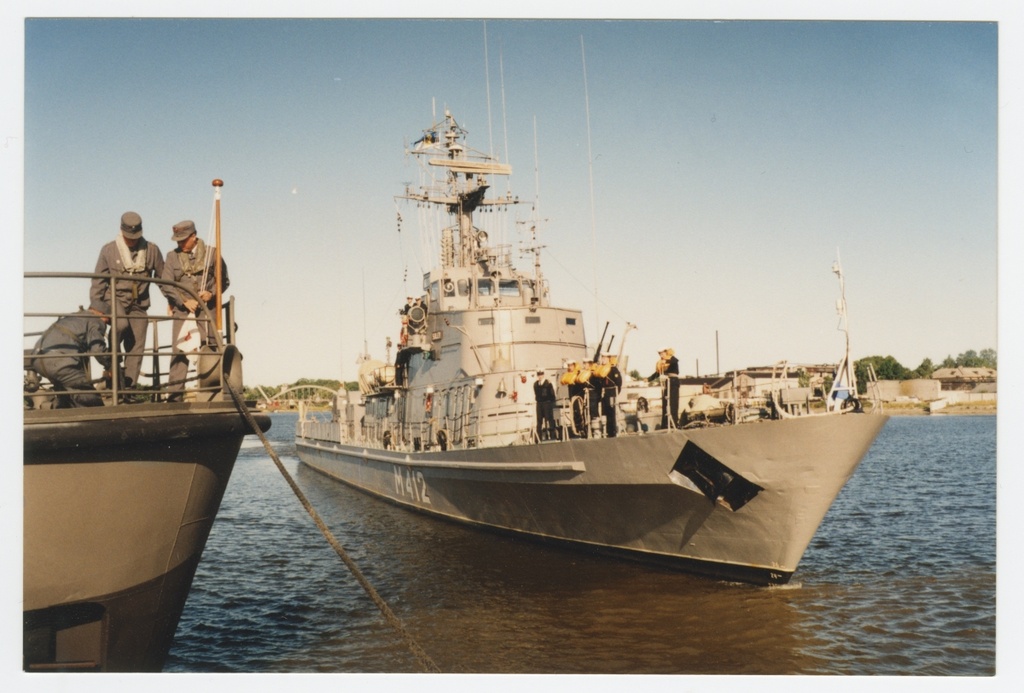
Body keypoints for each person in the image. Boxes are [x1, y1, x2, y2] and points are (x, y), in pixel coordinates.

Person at [89, 211, 165, 389]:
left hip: (139, 304)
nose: (132, 240)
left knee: (138, 339)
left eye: (135, 236)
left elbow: (163, 279)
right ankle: (111, 361)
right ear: (121, 232)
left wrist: (175, 302)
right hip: (115, 299)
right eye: (128, 237)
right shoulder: (108, 249)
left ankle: (128, 386)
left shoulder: (151, 250)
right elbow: (98, 282)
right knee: (120, 324)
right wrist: (97, 307)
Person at [161, 220, 229, 400]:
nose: (180, 244)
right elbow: (166, 285)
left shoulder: (212, 254)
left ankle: (213, 393)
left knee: (211, 347)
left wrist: (211, 293)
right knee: (179, 352)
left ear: (194, 236)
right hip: (183, 313)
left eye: (183, 240)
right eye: (177, 241)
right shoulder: (171, 257)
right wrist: (183, 301)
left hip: (208, 311)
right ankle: (174, 397)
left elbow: (224, 280)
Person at [31, 301, 112, 408]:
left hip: (37, 358)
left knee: (65, 396)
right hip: (59, 362)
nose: (105, 323)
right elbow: (98, 351)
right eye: (107, 321)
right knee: (90, 400)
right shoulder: (95, 320)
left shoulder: (74, 317)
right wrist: (111, 365)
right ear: (102, 314)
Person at [648, 347, 680, 428]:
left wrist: (666, 361)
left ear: (666, 352)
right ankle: (665, 424)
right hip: (666, 382)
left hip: (673, 382)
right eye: (659, 353)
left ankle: (674, 423)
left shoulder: (672, 359)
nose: (661, 355)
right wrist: (649, 379)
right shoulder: (661, 363)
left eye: (662, 353)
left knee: (673, 403)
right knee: (665, 403)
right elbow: (658, 373)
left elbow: (675, 361)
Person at [600, 355, 623, 437]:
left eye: (605, 358)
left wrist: (615, 393)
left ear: (609, 359)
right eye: (602, 358)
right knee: (604, 412)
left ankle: (612, 431)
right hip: (604, 393)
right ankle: (605, 431)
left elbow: (618, 382)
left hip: (611, 393)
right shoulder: (602, 370)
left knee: (611, 412)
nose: (603, 360)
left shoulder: (613, 369)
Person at [533, 370, 558, 441]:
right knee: (539, 420)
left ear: (543, 374)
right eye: (538, 374)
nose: (540, 376)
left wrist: (552, 402)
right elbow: (536, 393)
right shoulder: (536, 384)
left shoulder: (548, 383)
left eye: (541, 374)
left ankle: (552, 436)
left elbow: (552, 394)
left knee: (549, 419)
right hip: (539, 404)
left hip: (547, 403)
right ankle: (538, 438)